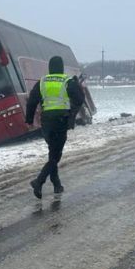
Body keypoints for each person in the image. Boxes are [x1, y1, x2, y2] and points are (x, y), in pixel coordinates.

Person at [25, 56, 85, 198]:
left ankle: (56, 184)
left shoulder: (42, 82)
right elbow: (80, 99)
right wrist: (71, 113)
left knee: (52, 152)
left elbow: (32, 101)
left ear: (50, 68)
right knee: (56, 155)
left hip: (46, 122)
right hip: (60, 121)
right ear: (61, 67)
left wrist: (29, 120)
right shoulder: (67, 81)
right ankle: (39, 181)